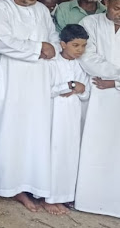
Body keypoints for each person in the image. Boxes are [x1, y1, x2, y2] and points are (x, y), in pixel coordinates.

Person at [0, 0, 61, 212]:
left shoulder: (41, 11)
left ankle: (21, 187)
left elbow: (54, 41)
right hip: (8, 79)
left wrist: (47, 48)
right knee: (2, 130)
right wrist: (38, 48)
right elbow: (3, 42)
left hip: (36, 81)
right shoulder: (0, 9)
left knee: (30, 135)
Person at [73, 0, 120, 218]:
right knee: (92, 147)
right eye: (117, 7)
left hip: (112, 90)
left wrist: (115, 81)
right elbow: (87, 58)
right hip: (96, 96)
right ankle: (88, 199)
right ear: (106, 2)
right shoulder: (90, 24)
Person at [39, 24, 91, 215]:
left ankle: (63, 196)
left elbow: (86, 92)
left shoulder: (81, 64)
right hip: (55, 116)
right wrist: (69, 85)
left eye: (83, 46)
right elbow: (47, 90)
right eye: (76, 45)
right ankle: (48, 197)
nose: (80, 50)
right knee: (54, 153)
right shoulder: (52, 63)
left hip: (73, 115)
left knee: (69, 155)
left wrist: (80, 89)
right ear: (62, 44)